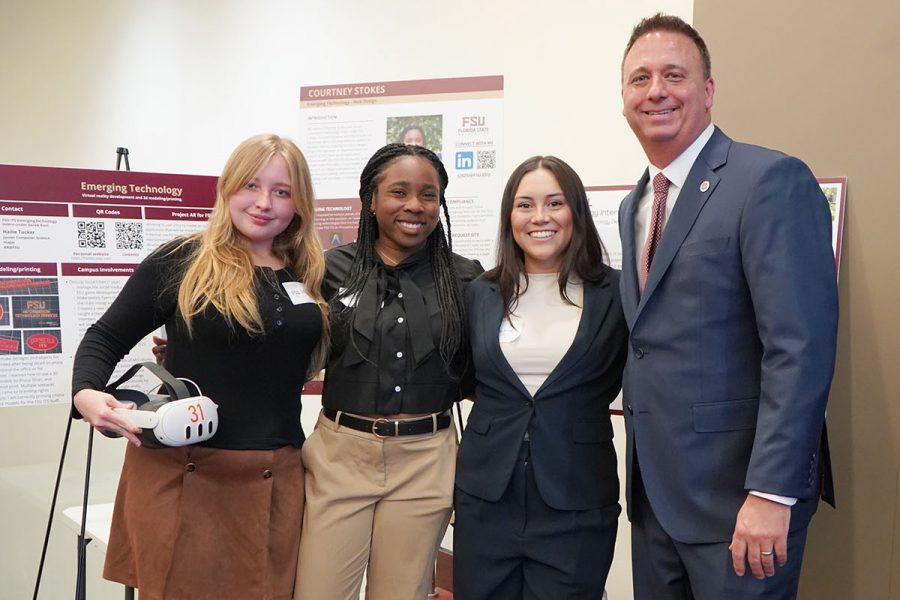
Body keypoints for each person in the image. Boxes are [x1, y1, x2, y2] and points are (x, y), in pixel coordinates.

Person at [617, 13, 838, 599]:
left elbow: (800, 349)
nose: (656, 90)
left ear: (708, 91)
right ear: (623, 98)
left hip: (739, 507)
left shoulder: (769, 181)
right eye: (639, 78)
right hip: (655, 504)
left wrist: (771, 492)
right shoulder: (634, 204)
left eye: (674, 75)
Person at [71, 134, 328, 600]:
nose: (264, 203)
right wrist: (87, 394)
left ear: (299, 203)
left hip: (278, 475)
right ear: (227, 188)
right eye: (251, 185)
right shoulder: (183, 261)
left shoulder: (307, 274)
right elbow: (104, 337)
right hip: (186, 473)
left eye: (282, 191)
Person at [293, 143, 483, 600]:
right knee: (318, 591)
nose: (415, 206)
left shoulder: (467, 279)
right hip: (341, 455)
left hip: (426, 458)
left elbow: (489, 369)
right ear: (371, 199)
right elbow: (284, 352)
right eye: (399, 192)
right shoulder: (326, 269)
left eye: (428, 194)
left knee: (403, 593)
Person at [453, 156, 627, 599]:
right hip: (488, 498)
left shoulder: (618, 293)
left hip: (577, 496)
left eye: (555, 203)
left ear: (577, 212)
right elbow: (468, 377)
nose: (540, 217)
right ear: (509, 216)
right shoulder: (481, 293)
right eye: (525, 205)